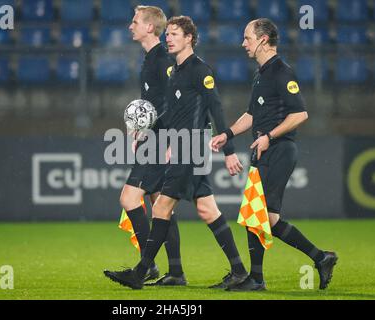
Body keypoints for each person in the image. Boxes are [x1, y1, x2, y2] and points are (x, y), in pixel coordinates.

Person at [104, 15, 248, 290]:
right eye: (167, 34)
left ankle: (142, 271)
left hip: (190, 146)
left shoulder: (199, 70)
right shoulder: (178, 72)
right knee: (207, 209)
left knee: (161, 207)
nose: (168, 38)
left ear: (189, 38)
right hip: (181, 145)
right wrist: (150, 132)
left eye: (174, 34)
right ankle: (239, 271)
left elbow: (215, 108)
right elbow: (172, 114)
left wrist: (228, 150)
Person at [210, 18, 338, 291]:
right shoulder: (262, 73)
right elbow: (252, 114)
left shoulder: (281, 71)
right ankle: (321, 257)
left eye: (247, 37)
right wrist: (228, 134)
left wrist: (269, 136)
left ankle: (256, 279)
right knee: (268, 218)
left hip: (279, 150)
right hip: (265, 149)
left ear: (263, 39)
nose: (243, 43)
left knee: (255, 214)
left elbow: (300, 114)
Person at [109, 5, 187, 286]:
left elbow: (174, 100)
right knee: (161, 206)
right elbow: (151, 105)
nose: (130, 26)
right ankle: (176, 272)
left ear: (150, 27)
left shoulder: (162, 58)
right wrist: (136, 129)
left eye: (135, 21)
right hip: (152, 138)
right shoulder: (151, 58)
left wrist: (167, 139)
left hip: (159, 141)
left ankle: (147, 265)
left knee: (129, 199)